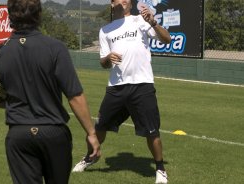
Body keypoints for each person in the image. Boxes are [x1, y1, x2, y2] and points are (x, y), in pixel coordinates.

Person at [0, 0, 100, 183]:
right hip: (53, 133)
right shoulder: (56, 48)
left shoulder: (0, 52)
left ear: (10, 16)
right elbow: (75, 96)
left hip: (19, 135)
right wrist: (91, 133)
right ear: (39, 15)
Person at [72, 0, 171, 183]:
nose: (124, 1)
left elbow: (167, 39)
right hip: (116, 87)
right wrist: (108, 58)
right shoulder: (105, 30)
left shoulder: (141, 21)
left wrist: (154, 23)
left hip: (142, 85)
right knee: (99, 127)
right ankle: (90, 157)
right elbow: (103, 63)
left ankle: (160, 169)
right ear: (112, 4)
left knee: (152, 131)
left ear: (131, 3)